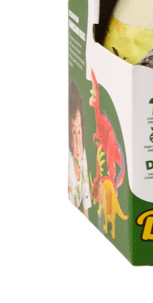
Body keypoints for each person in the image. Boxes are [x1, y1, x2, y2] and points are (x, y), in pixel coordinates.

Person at [68, 81, 91, 217]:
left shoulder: (83, 153)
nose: (77, 138)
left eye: (79, 131)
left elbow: (86, 197)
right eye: (73, 132)